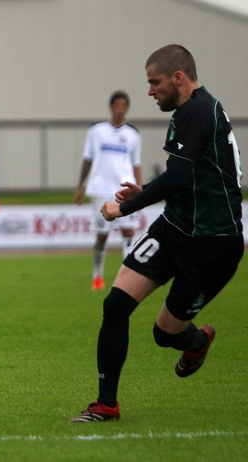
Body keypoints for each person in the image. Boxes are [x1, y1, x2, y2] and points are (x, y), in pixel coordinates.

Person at [71, 44, 243, 423]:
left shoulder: (195, 111)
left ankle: (197, 341)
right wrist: (145, 192)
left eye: (155, 82)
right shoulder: (193, 110)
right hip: (175, 226)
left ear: (178, 79)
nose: (149, 91)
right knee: (115, 305)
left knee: (165, 334)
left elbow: (180, 176)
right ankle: (106, 404)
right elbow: (185, 177)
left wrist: (126, 207)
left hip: (213, 243)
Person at [74, 91, 142, 291]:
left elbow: (136, 163)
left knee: (128, 232)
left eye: (124, 105)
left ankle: (128, 278)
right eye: (117, 105)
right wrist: (80, 187)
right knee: (102, 236)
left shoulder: (133, 134)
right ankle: (97, 275)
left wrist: (140, 190)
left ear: (127, 109)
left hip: (124, 189)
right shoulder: (96, 131)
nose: (120, 109)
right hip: (100, 189)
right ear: (111, 107)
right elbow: (88, 159)